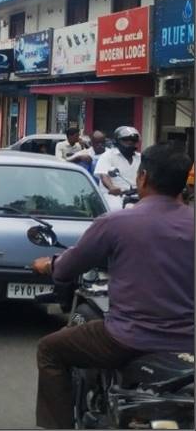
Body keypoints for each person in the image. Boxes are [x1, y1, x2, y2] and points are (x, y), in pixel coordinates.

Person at [30, 143, 194, 429]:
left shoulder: (116, 223)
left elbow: (68, 267)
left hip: (127, 339)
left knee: (49, 349)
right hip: (188, 341)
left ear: (143, 177)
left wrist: (48, 265)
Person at [95, 126, 141, 211]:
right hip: (114, 195)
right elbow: (104, 175)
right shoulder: (108, 156)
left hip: (136, 194)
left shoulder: (140, 158)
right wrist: (111, 187)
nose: (130, 142)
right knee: (115, 209)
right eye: (126, 140)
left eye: (133, 140)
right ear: (117, 141)